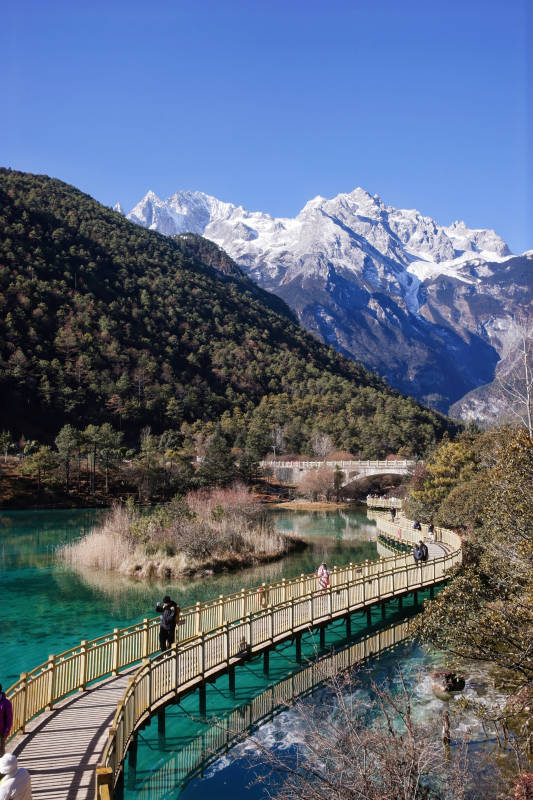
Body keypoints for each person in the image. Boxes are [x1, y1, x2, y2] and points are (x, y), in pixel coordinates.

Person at [0, 687, 12, 758]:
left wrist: (6, 731)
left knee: (1, 752)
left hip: (1, 732)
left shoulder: (6, 703)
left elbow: (9, 719)